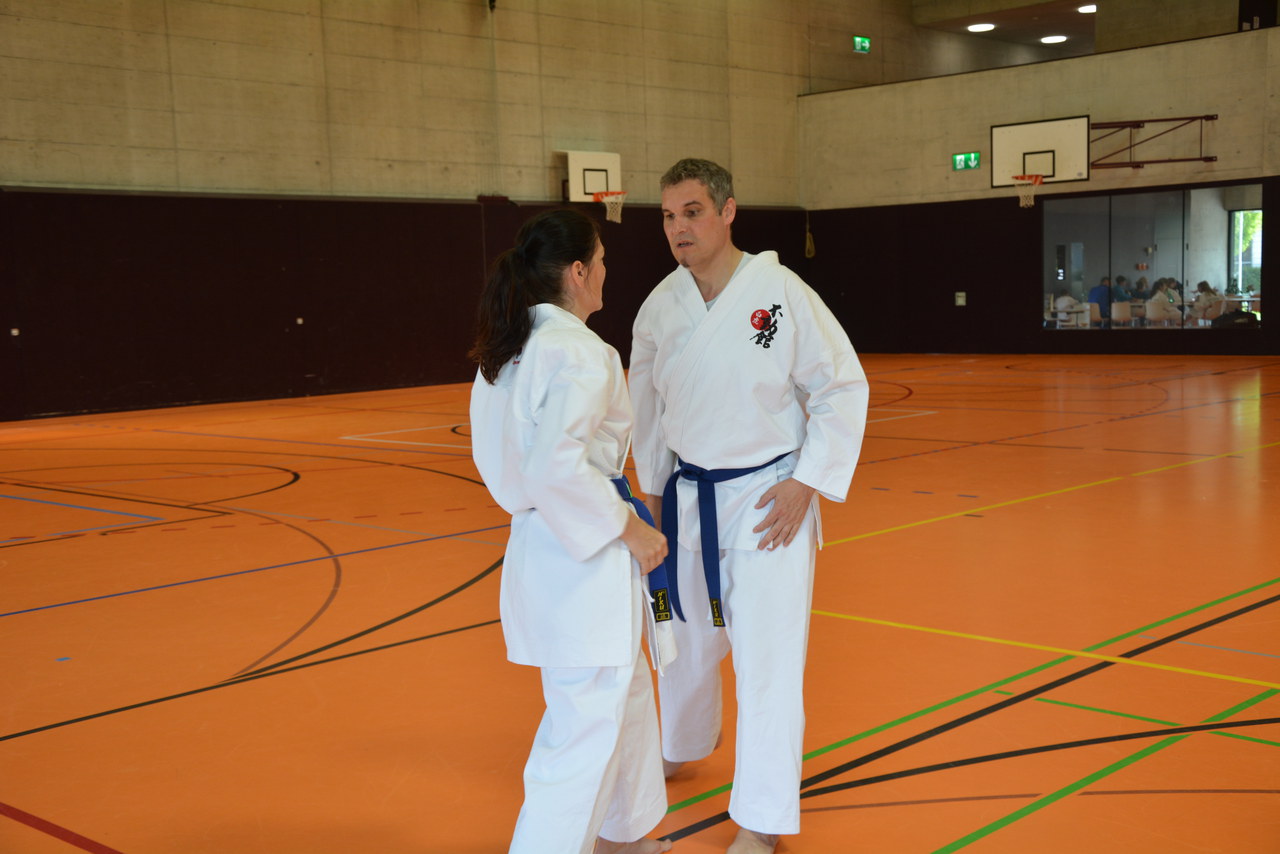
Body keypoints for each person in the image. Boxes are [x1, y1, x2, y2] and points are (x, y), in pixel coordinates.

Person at [629, 159, 870, 854]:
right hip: (689, 498)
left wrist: (807, 481)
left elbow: (841, 386)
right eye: (668, 216)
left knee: (768, 661)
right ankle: (682, 743)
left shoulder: (781, 292)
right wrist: (652, 496)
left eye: (693, 212)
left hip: (769, 501)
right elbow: (647, 410)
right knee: (683, 643)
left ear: (728, 211)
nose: (679, 228)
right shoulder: (659, 307)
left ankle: (762, 819)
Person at [468, 209, 675, 854]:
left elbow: (512, 469)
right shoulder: (581, 352)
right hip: (584, 559)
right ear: (579, 272)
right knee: (583, 732)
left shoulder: (506, 350)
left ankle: (624, 836)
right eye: (603, 260)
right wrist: (628, 528)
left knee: (625, 697)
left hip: (544, 549)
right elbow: (554, 465)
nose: (608, 271)